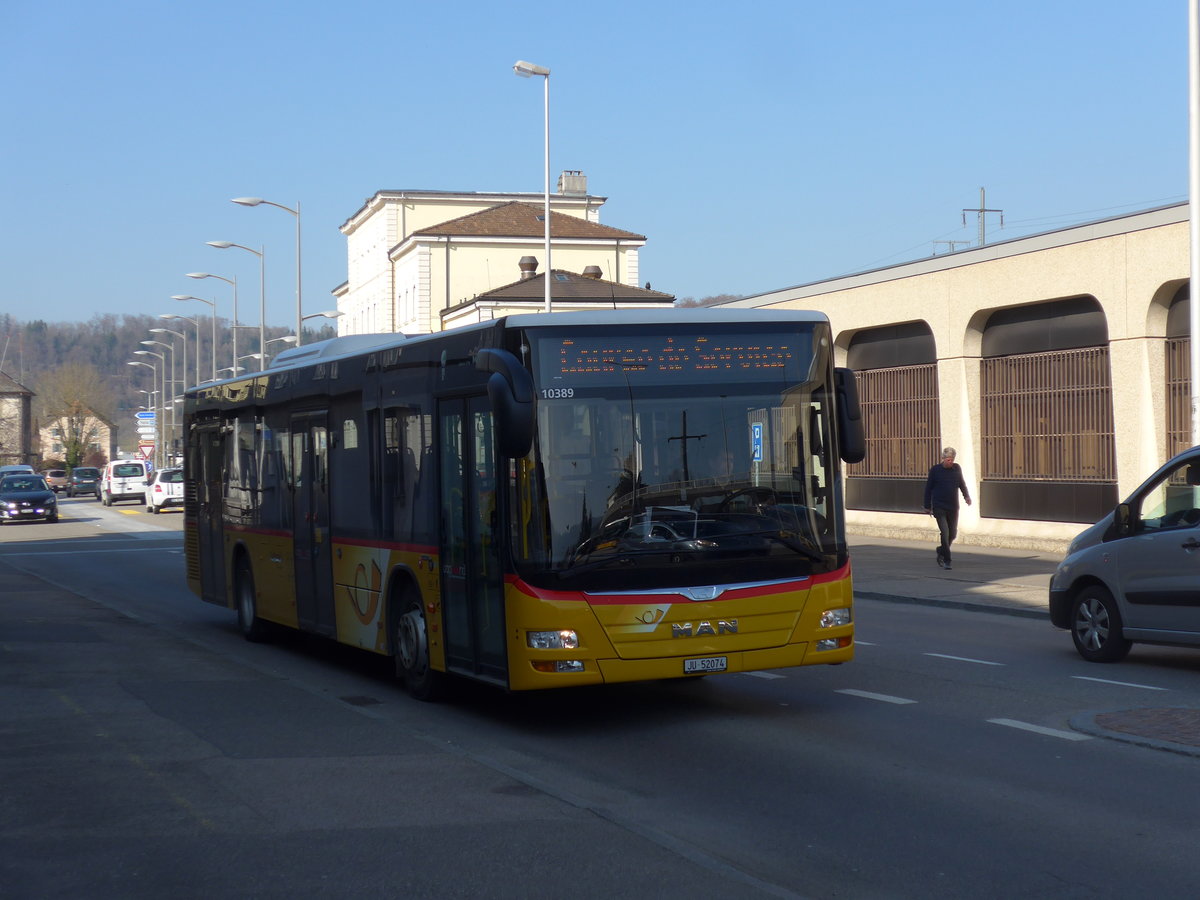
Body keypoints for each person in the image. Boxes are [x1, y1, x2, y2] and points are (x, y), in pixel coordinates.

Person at [923, 447, 972, 570]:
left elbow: (962, 484)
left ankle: (941, 550)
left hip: (953, 506)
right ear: (943, 459)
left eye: (952, 460)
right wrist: (927, 506)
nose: (950, 462)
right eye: (948, 460)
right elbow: (928, 489)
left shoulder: (957, 469)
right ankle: (947, 560)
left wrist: (966, 496)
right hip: (939, 506)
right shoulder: (935, 470)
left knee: (953, 533)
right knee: (945, 533)